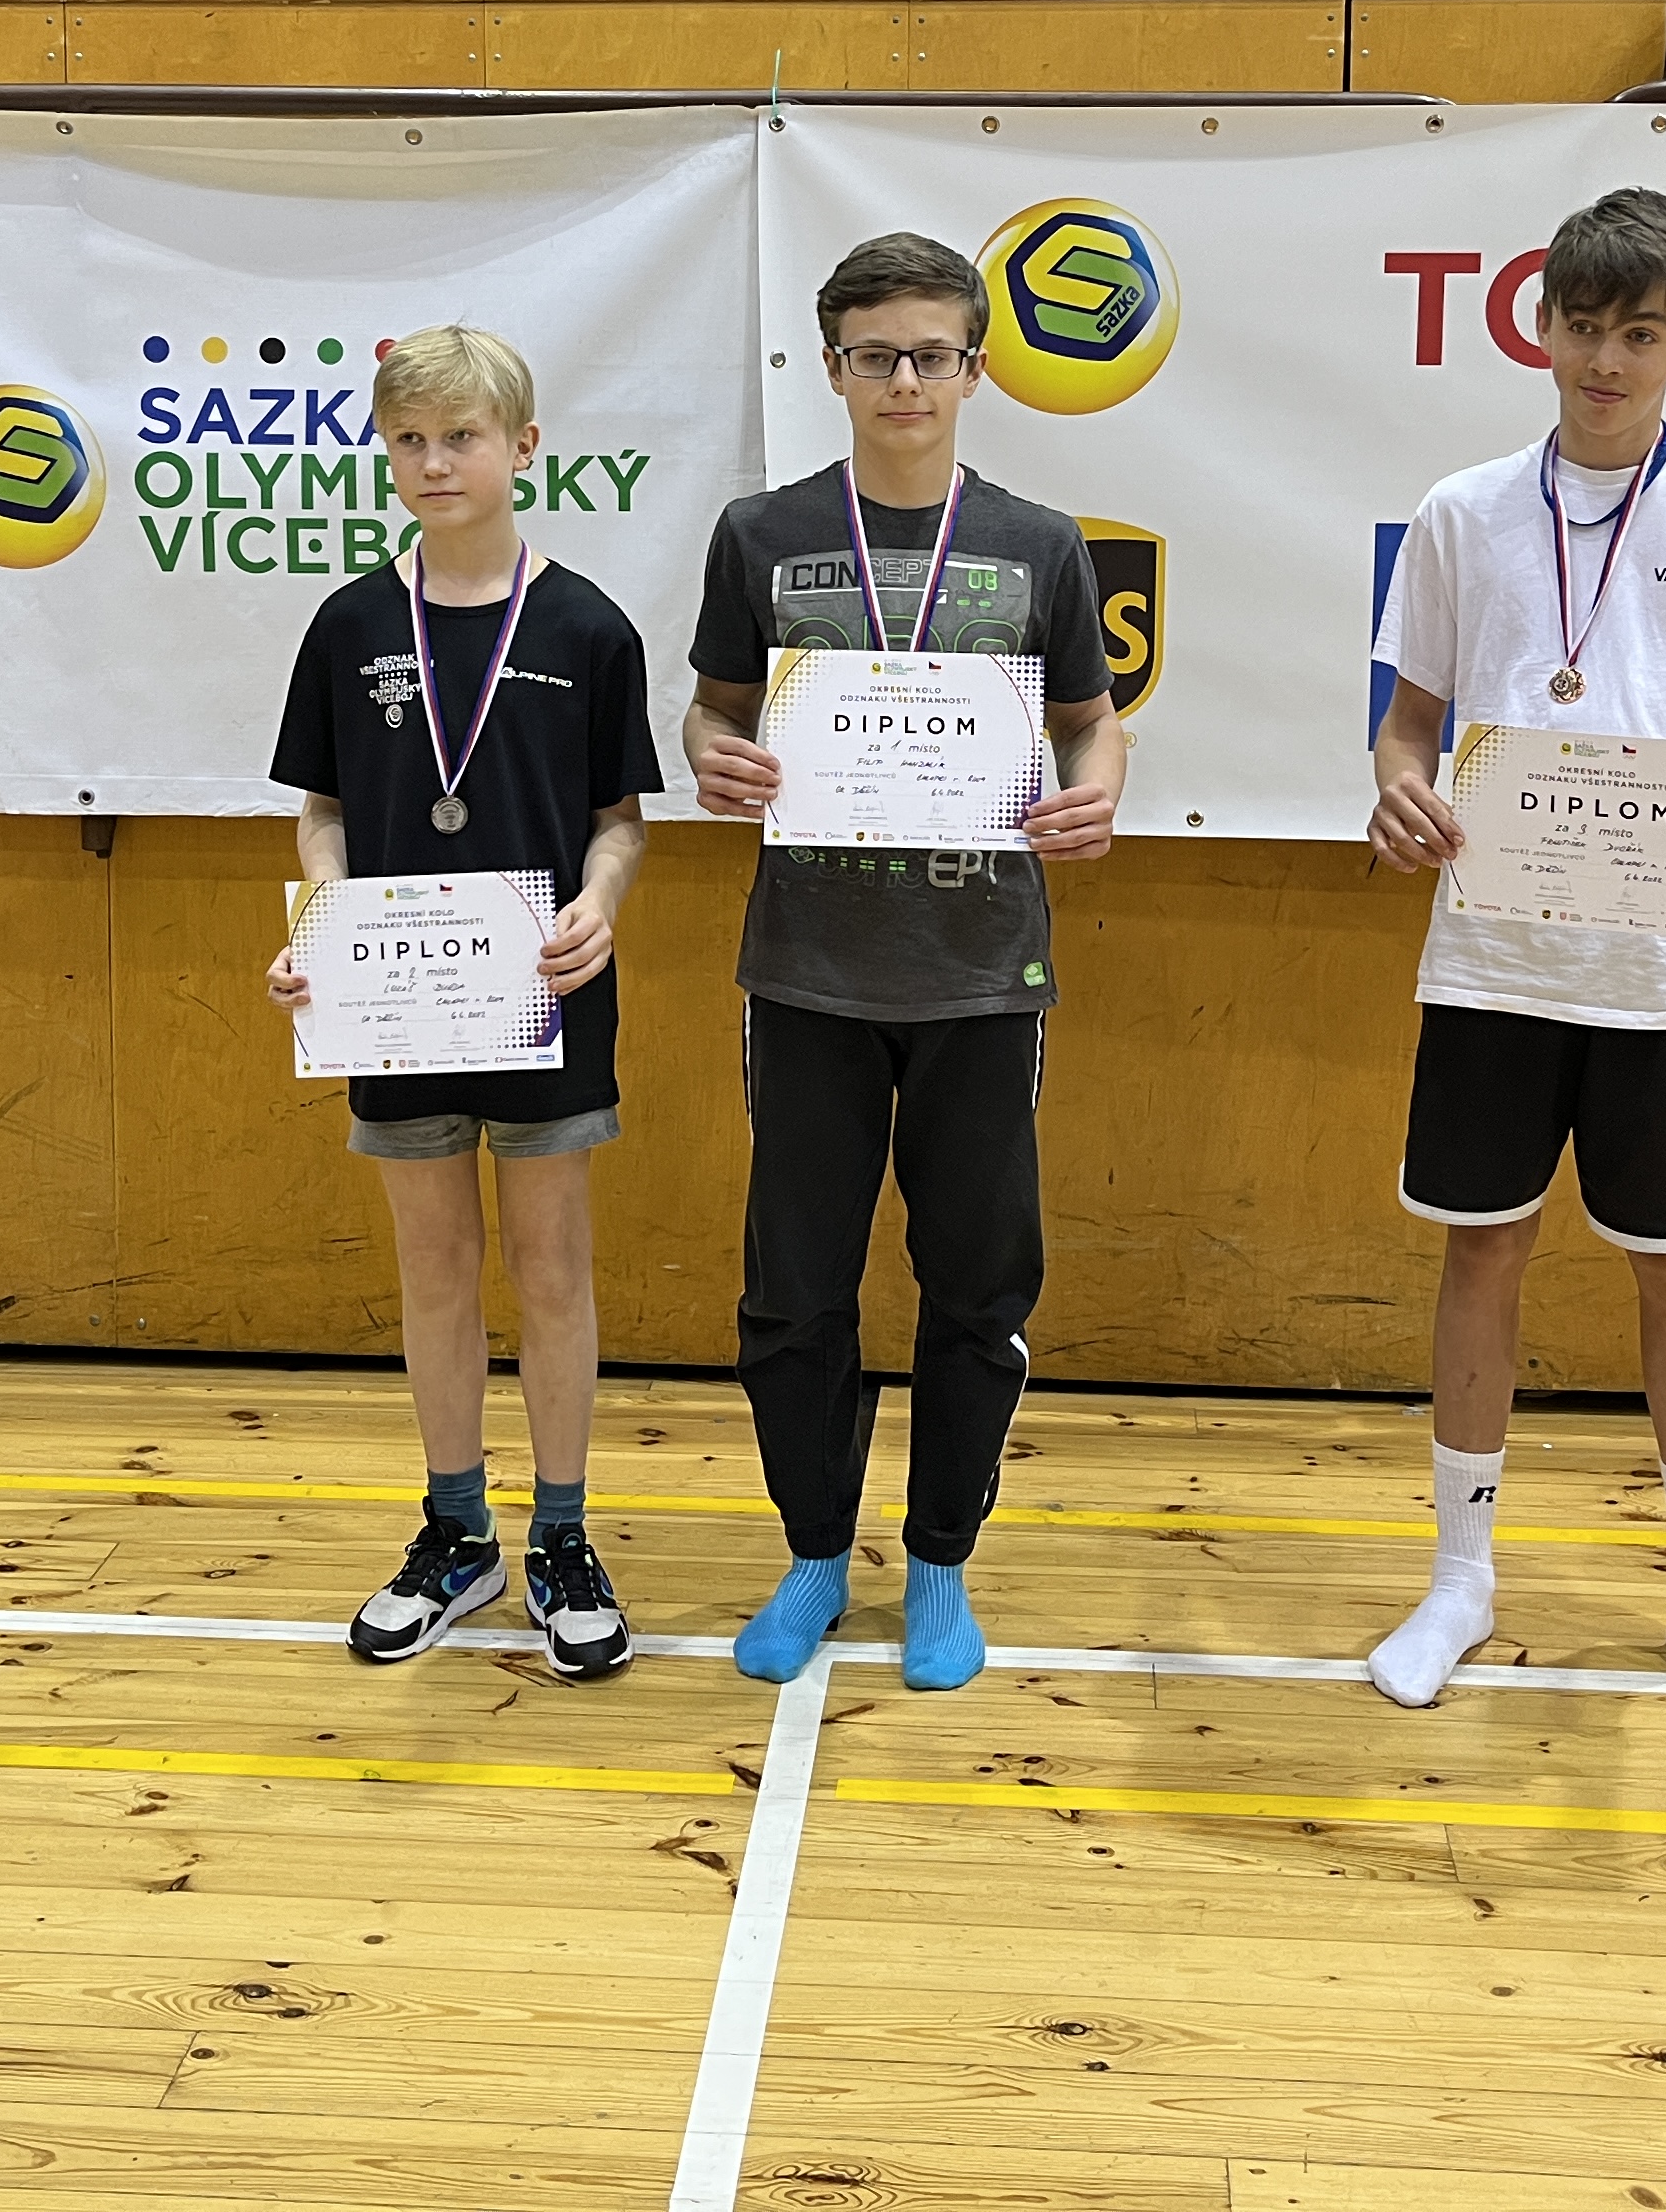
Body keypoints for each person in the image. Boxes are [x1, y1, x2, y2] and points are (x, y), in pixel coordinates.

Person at [1358, 188, 1666, 1743]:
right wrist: (1398, 793)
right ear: (1542, 331)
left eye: (1641, 332)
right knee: (1480, 1255)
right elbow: (1408, 728)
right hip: (1496, 958)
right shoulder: (1461, 511)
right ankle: (1460, 1580)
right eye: (1584, 328)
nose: (1608, 360)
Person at [680, 233, 1127, 1695]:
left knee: (979, 1285)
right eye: (875, 355)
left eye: (932, 354)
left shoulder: (1040, 542)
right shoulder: (761, 532)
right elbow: (714, 708)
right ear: (833, 368)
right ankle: (815, 1551)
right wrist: (714, 757)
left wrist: (1096, 792)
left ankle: (941, 1560)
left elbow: (1091, 722)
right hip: (808, 973)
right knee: (794, 1292)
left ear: (975, 369)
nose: (905, 381)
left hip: (982, 975)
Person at [265, 326, 655, 1679]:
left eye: (463, 437)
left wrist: (599, 903)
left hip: (544, 997)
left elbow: (618, 822)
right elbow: (322, 813)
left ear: (524, 447)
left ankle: (561, 1536)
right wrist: (322, 919)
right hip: (396, 1005)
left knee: (550, 1271)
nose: (435, 463)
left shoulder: (589, 626)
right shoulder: (351, 624)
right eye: (411, 440)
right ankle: (456, 1531)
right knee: (433, 1272)